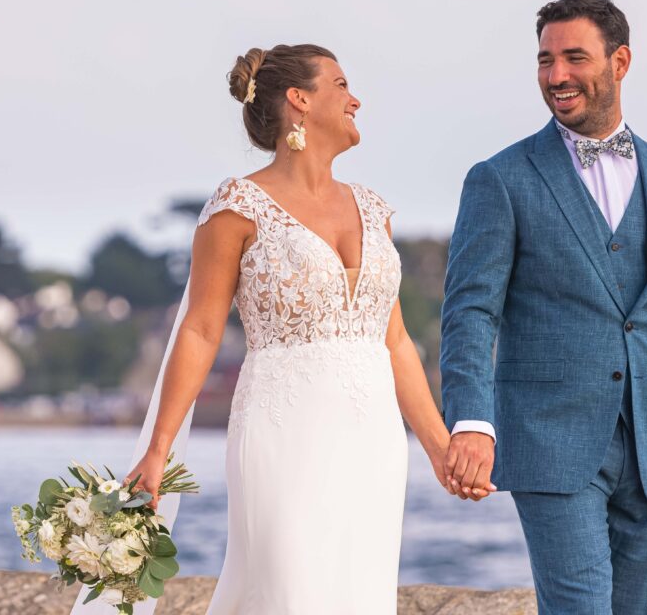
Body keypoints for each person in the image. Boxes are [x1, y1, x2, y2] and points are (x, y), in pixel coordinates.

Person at [70, 43, 487, 615]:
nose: (355, 99)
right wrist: (159, 448)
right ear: (300, 100)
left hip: (375, 446)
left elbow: (393, 342)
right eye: (341, 85)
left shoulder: (374, 209)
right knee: (289, 594)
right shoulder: (237, 207)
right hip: (282, 434)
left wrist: (439, 448)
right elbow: (198, 330)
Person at [439, 0, 647, 615]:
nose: (556, 76)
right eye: (545, 60)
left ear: (620, 62)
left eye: (574, 57)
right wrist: (471, 420)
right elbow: (470, 311)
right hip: (550, 438)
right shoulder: (500, 178)